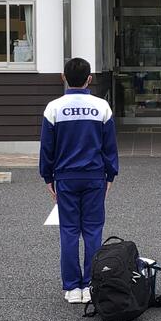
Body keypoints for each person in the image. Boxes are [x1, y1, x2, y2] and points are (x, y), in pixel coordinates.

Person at [39, 58, 119, 304]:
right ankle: (91, 284)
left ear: (63, 77)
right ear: (89, 79)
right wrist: (110, 174)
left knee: (69, 231)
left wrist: (47, 176)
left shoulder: (53, 108)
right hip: (94, 175)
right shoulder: (102, 107)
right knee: (93, 231)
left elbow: (47, 148)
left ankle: (72, 287)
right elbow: (109, 146)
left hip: (65, 176)